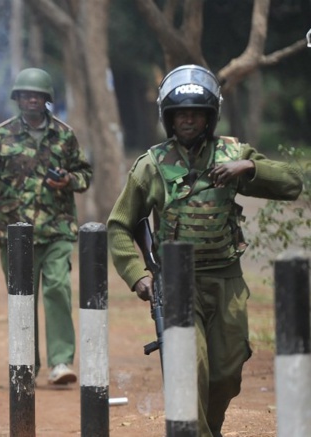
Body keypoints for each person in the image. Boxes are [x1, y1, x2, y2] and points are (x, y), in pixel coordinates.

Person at [107, 64, 303, 437]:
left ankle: (206, 429)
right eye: (181, 114)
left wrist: (248, 168)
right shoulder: (151, 165)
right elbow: (119, 224)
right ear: (168, 117)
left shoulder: (233, 153)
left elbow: (293, 184)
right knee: (190, 368)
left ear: (210, 117)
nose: (188, 121)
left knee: (227, 373)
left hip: (227, 280)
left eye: (196, 113)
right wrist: (137, 276)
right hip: (179, 286)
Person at [0, 67, 93, 386]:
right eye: (25, 95)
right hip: (14, 232)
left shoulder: (64, 135)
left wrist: (68, 179)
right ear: (18, 99)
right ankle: (26, 363)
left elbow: (85, 175)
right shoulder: (1, 135)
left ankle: (61, 362)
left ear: (46, 99)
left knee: (57, 289)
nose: (31, 100)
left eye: (37, 95)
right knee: (22, 298)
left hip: (56, 229)